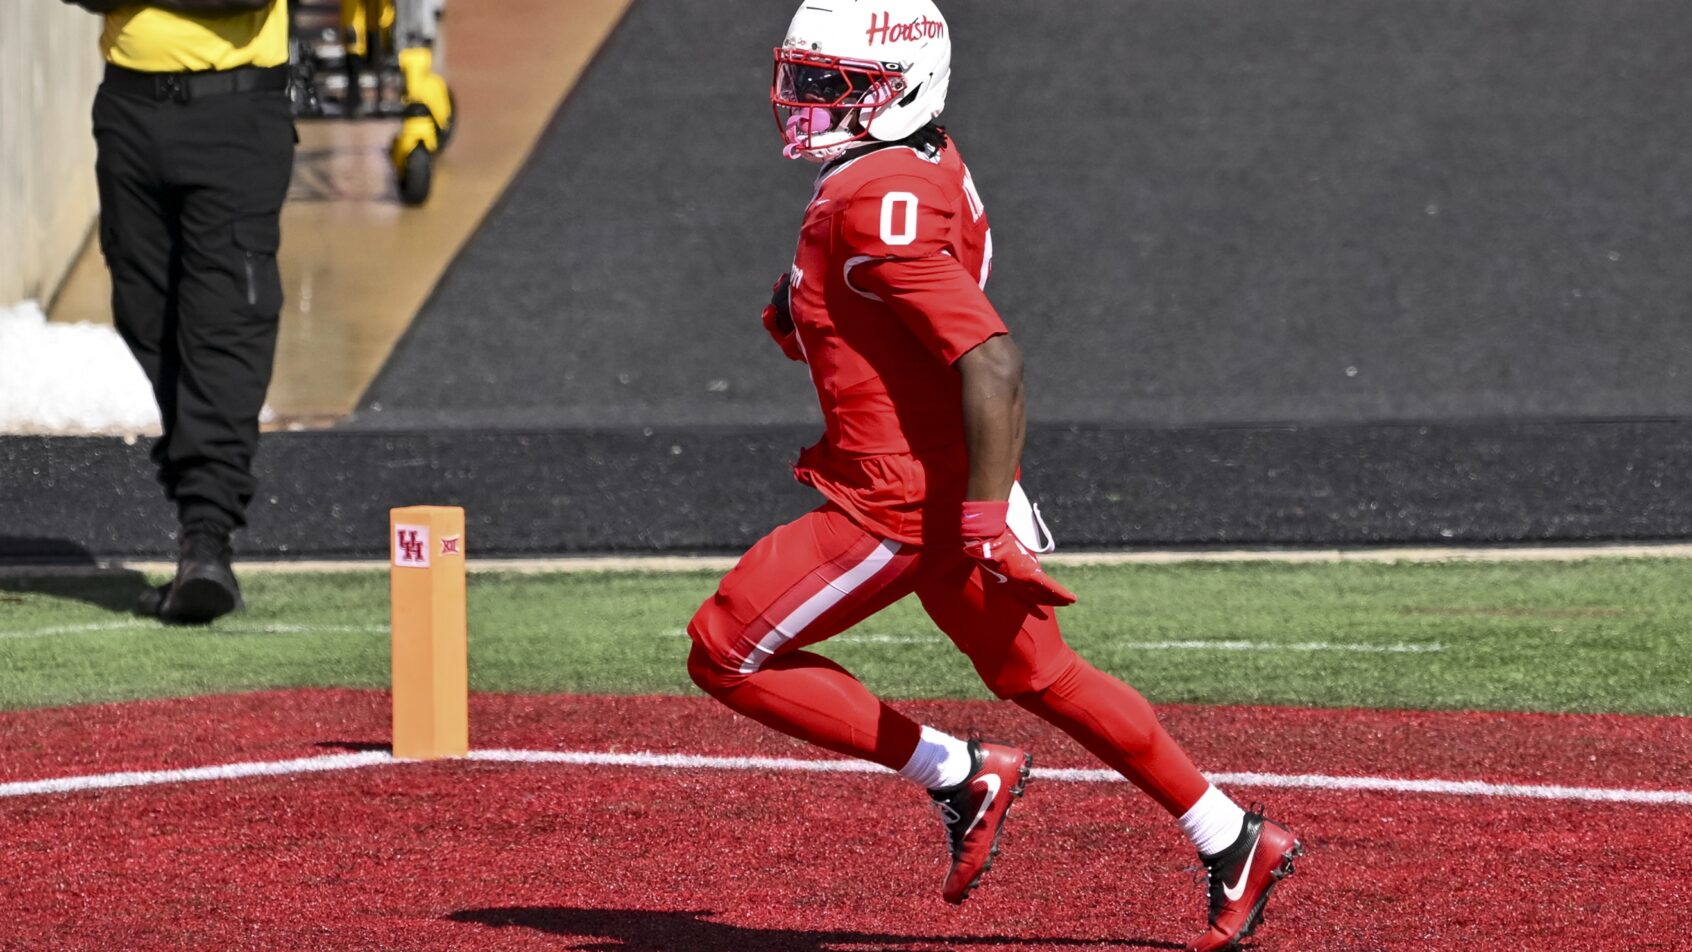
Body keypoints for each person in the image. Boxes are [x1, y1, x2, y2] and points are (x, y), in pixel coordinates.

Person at [685, 2, 1302, 949]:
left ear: (901, 88)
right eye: (802, 77)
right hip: (951, 473)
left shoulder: (874, 198)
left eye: (831, 84)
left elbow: (993, 360)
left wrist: (979, 521)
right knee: (1043, 676)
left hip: (898, 496)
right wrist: (811, 305)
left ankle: (956, 772)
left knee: (725, 651)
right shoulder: (919, 161)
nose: (803, 101)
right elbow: (898, 302)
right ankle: (1231, 835)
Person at [61, 0, 295, 623]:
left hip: (236, 111)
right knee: (145, 315)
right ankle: (199, 516)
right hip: (129, 111)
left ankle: (207, 534)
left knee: (225, 326)